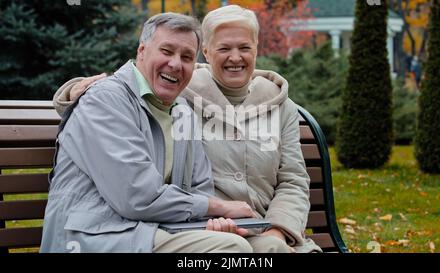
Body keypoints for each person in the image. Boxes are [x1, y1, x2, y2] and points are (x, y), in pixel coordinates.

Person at [53, 5, 321, 253]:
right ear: (141, 51)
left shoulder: (180, 105)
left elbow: (291, 180)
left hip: (197, 226)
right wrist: (74, 94)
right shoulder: (184, 95)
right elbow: (115, 101)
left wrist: (275, 228)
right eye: (224, 48)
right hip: (100, 233)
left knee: (266, 250)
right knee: (234, 252)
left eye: (245, 47)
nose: (235, 57)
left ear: (256, 48)